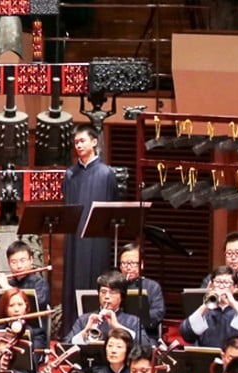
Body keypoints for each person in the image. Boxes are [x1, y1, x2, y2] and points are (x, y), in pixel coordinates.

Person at [60, 124, 121, 332]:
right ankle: (72, 331)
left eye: (82, 141)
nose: (78, 145)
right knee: (72, 281)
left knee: (97, 279)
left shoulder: (106, 173)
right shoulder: (70, 174)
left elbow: (112, 207)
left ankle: (99, 329)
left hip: (98, 239)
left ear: (94, 142)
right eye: (76, 142)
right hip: (74, 237)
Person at [180, 265, 238, 349]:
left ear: (235, 287)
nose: (221, 286)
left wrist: (234, 304)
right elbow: (186, 334)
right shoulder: (204, 311)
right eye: (218, 282)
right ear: (211, 285)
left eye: (227, 283)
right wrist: (206, 304)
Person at [65, 270, 143, 345]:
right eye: (103, 292)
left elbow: (145, 344)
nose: (107, 296)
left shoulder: (133, 321)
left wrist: (117, 326)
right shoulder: (84, 319)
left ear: (122, 296)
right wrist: (85, 331)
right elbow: (66, 345)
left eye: (112, 292)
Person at [0, 285, 47, 353]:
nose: (16, 309)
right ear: (5, 309)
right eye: (11, 305)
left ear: (26, 307)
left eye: (20, 304)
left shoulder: (38, 334)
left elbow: (34, 358)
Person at [118, 243, 164, 341]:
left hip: (146, 335)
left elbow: (158, 314)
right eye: (124, 263)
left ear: (141, 265)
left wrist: (133, 320)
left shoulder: (152, 286)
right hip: (118, 334)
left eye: (132, 263)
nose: (128, 267)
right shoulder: (115, 286)